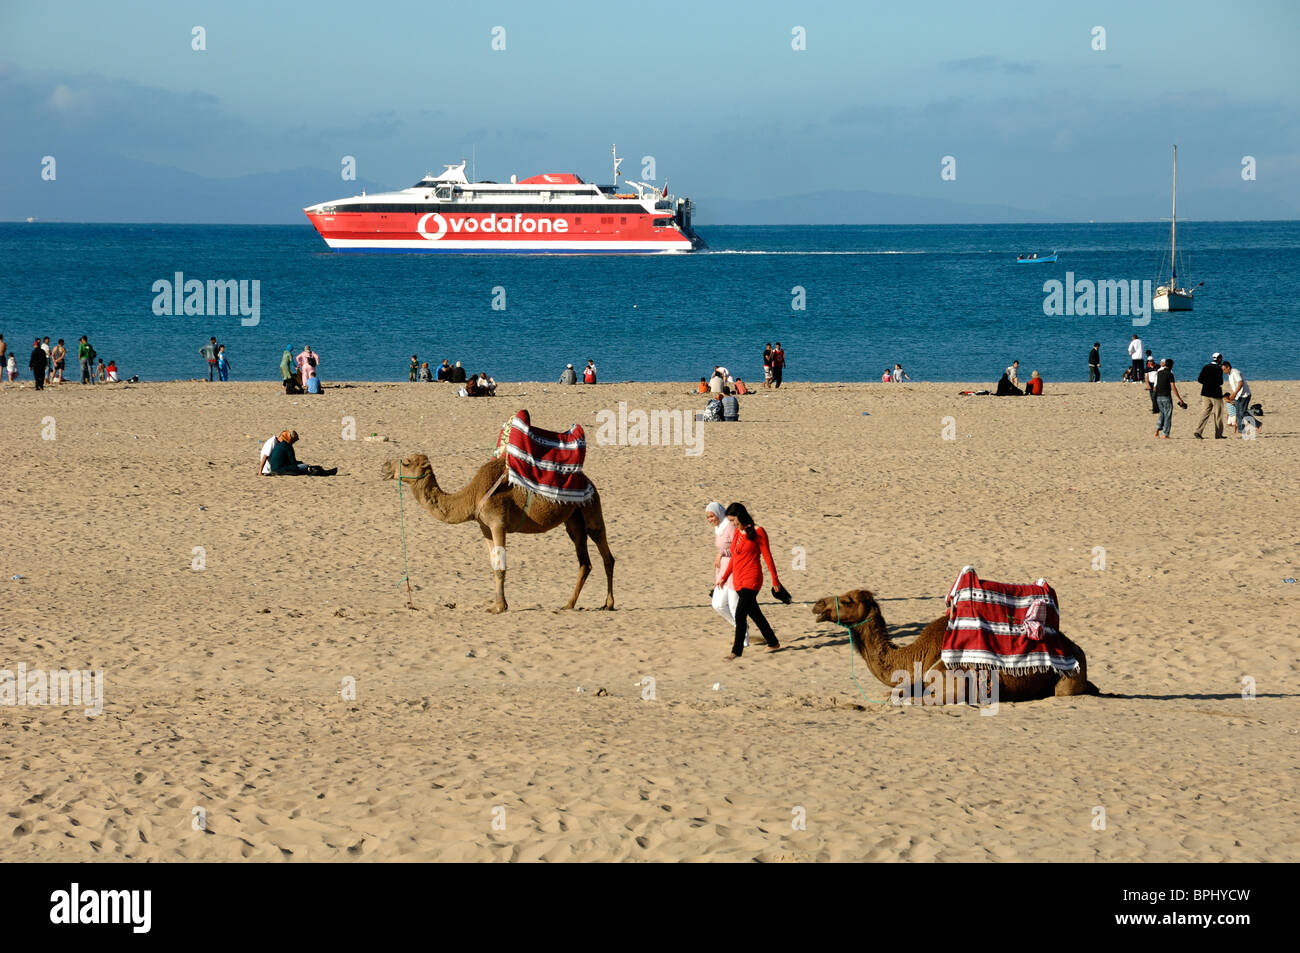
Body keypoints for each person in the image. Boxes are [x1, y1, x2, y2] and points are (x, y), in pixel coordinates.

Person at [716, 503, 790, 659]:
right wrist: (725, 576)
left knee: (740, 614)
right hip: (738, 580)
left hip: (753, 578)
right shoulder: (737, 532)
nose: (732, 523)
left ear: (741, 515)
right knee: (755, 613)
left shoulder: (759, 532)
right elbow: (734, 559)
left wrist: (775, 580)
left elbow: (768, 557)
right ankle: (772, 641)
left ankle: (736, 651)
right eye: (730, 521)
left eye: (733, 520)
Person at [705, 502, 741, 635]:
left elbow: (738, 548)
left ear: (719, 513)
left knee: (733, 606)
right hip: (722, 572)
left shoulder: (730, 527)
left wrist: (722, 553)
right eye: (708, 517)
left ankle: (742, 634)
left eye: (712, 516)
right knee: (717, 605)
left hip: (733, 570)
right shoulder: (719, 528)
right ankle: (740, 627)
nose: (710, 520)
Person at [266, 430, 336, 476]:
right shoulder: (288, 447)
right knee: (306, 467)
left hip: (274, 468)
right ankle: (324, 473)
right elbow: (293, 462)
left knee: (303, 465)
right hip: (281, 470)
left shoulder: (279, 445)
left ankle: (324, 472)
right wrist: (301, 463)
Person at [1222, 361, 1260, 436]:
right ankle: (1241, 430)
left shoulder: (1235, 372)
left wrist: (1235, 393)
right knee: (1238, 413)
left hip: (1244, 395)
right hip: (1237, 396)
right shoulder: (1229, 375)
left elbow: (1240, 383)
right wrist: (1231, 397)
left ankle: (1258, 424)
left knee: (1242, 412)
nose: (1223, 371)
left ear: (1228, 367)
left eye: (1224, 369)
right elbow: (1233, 387)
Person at [1193, 353, 1227, 440]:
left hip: (1205, 392)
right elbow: (1220, 382)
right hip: (1215, 394)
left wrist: (1207, 383)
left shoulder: (1206, 367)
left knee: (1205, 412)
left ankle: (1198, 431)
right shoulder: (1218, 369)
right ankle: (1218, 434)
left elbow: (1200, 379)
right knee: (1218, 414)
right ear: (1219, 359)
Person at [1153, 359, 1186, 439]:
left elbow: (1156, 385)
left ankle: (1157, 430)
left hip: (1158, 396)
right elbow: (1173, 387)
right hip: (1166, 396)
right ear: (1171, 366)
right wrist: (1180, 399)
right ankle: (1165, 434)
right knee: (1167, 415)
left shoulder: (1159, 373)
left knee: (1162, 414)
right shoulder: (1170, 374)